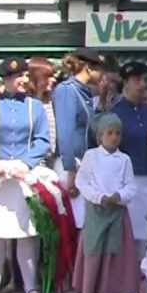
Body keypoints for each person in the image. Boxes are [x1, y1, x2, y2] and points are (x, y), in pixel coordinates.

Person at [0, 58, 52, 293]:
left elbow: (43, 140)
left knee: (27, 230)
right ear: (5, 80)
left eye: (25, 76)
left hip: (24, 173)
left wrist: (25, 163)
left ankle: (30, 284)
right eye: (18, 77)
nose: (23, 80)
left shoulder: (34, 106)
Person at [72, 114, 140, 293]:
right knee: (94, 248)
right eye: (109, 133)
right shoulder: (91, 156)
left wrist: (119, 196)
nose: (114, 137)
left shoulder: (124, 159)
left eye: (117, 133)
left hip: (117, 212)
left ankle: (111, 290)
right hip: (96, 210)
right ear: (100, 136)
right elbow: (82, 181)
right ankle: (89, 288)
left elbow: (131, 186)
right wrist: (98, 197)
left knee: (114, 249)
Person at [109, 62, 147, 249]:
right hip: (126, 179)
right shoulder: (116, 112)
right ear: (126, 82)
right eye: (137, 80)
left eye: (145, 80)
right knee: (129, 235)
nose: (142, 85)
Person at [53, 49, 106, 228]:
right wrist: (71, 170)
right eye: (100, 68)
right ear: (89, 68)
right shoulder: (67, 90)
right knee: (76, 224)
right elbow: (65, 132)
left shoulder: (85, 92)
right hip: (71, 164)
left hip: (84, 163)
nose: (103, 74)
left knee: (85, 224)